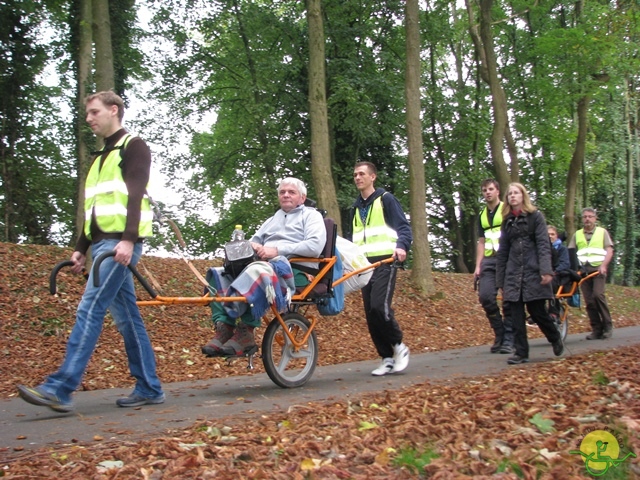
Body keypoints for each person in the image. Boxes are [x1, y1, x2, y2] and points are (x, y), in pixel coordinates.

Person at [17, 91, 164, 412]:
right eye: (88, 114)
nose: (89, 118)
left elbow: (135, 196)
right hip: (101, 246)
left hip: (119, 245)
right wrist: (81, 249)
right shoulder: (100, 158)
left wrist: (127, 240)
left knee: (90, 308)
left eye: (94, 112)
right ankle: (150, 386)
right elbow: (93, 209)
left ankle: (59, 387)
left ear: (114, 110)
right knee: (127, 319)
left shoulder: (133, 147)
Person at [201, 177, 326, 356]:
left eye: (291, 192)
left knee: (257, 271)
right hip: (265, 265)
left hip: (296, 269)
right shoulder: (272, 219)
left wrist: (277, 250)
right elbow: (254, 241)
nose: (286, 195)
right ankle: (225, 327)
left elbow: (314, 246)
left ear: (302, 198)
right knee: (219, 273)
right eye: (282, 192)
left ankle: (246, 331)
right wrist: (252, 247)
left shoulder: (311, 216)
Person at [349, 162, 412, 376]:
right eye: (355, 175)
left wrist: (402, 246)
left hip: (386, 261)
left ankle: (399, 346)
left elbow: (403, 227)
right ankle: (386, 357)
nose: (357, 177)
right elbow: (353, 240)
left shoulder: (386, 199)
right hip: (364, 267)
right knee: (370, 314)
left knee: (379, 307)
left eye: (362, 174)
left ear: (372, 177)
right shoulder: (355, 207)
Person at [496, 183, 564, 365]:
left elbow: (543, 244)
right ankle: (521, 352)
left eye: (516, 193)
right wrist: (500, 278)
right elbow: (503, 250)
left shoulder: (536, 217)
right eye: (509, 193)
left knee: (537, 312)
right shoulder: (507, 221)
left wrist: (546, 270)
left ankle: (554, 337)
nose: (512, 196)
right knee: (515, 313)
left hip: (533, 271)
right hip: (513, 272)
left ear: (523, 196)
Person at [474, 179, 513, 354]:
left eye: (490, 189)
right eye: (484, 190)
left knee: (509, 300)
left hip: (508, 259)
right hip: (489, 261)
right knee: (486, 297)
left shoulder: (507, 209)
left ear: (498, 191)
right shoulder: (482, 215)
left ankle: (510, 338)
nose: (487, 192)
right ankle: (500, 333)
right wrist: (478, 266)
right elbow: (481, 242)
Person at [567, 208, 614, 340]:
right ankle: (596, 329)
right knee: (589, 301)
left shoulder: (602, 232)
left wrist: (604, 265)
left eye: (590, 216)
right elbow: (571, 251)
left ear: (595, 218)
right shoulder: (577, 234)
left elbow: (609, 250)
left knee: (598, 295)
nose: (587, 219)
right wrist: (574, 269)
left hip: (598, 269)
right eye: (585, 217)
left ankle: (608, 325)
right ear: (582, 219)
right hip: (583, 271)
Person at [547, 225, 571, 320]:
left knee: (550, 283)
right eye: (548, 234)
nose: (550, 236)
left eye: (552, 234)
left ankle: (554, 312)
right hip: (543, 274)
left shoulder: (562, 249)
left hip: (558, 276)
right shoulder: (540, 249)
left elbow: (565, 264)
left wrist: (554, 271)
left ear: (556, 236)